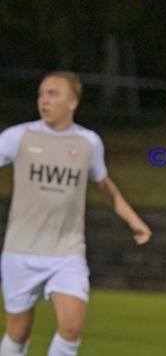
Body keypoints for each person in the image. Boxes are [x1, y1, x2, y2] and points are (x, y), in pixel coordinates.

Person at [0, 71, 152, 356]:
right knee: (18, 333)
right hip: (20, 251)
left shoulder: (88, 142)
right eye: (41, 94)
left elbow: (104, 185)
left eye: (53, 94)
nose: (44, 100)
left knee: (71, 329)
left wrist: (134, 221)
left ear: (72, 102)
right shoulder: (19, 136)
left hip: (67, 252)